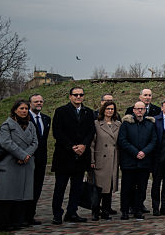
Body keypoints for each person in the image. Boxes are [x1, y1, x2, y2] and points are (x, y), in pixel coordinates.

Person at [51, 85, 96, 224]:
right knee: (60, 187)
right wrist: (71, 146)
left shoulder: (88, 112)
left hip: (81, 156)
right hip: (64, 155)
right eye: (75, 95)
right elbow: (57, 132)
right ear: (70, 96)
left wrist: (84, 145)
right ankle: (57, 214)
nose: (78, 97)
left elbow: (91, 131)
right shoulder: (61, 111)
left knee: (77, 188)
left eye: (81, 95)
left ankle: (72, 212)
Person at [0, 100, 39, 231]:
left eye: (26, 109)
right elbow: (6, 143)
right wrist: (22, 155)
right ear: (15, 110)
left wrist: (26, 156)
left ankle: (17, 221)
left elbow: (35, 142)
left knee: (21, 194)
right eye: (21, 108)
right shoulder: (7, 125)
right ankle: (2, 223)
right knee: (6, 194)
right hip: (10, 163)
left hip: (26, 164)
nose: (24, 111)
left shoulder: (30, 125)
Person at [117, 101, 158, 220]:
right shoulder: (126, 124)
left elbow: (153, 141)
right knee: (127, 188)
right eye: (137, 109)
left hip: (144, 161)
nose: (140, 111)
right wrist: (135, 152)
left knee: (141, 188)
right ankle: (125, 210)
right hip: (129, 161)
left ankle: (138, 209)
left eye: (142, 109)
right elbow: (122, 140)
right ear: (133, 110)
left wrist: (144, 152)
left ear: (145, 110)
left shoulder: (150, 124)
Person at [90, 100, 121, 220]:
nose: (110, 111)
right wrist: (92, 160)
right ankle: (95, 211)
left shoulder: (118, 124)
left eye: (112, 109)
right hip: (100, 159)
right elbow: (92, 144)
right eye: (108, 109)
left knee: (109, 187)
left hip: (113, 159)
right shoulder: (96, 123)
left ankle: (106, 211)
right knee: (98, 187)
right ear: (103, 110)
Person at [26, 93, 50, 225]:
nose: (39, 103)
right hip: (27, 158)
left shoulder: (46, 119)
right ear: (30, 103)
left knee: (37, 187)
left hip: (41, 159)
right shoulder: (24, 117)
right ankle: (22, 214)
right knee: (26, 187)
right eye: (36, 102)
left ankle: (31, 214)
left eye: (41, 101)